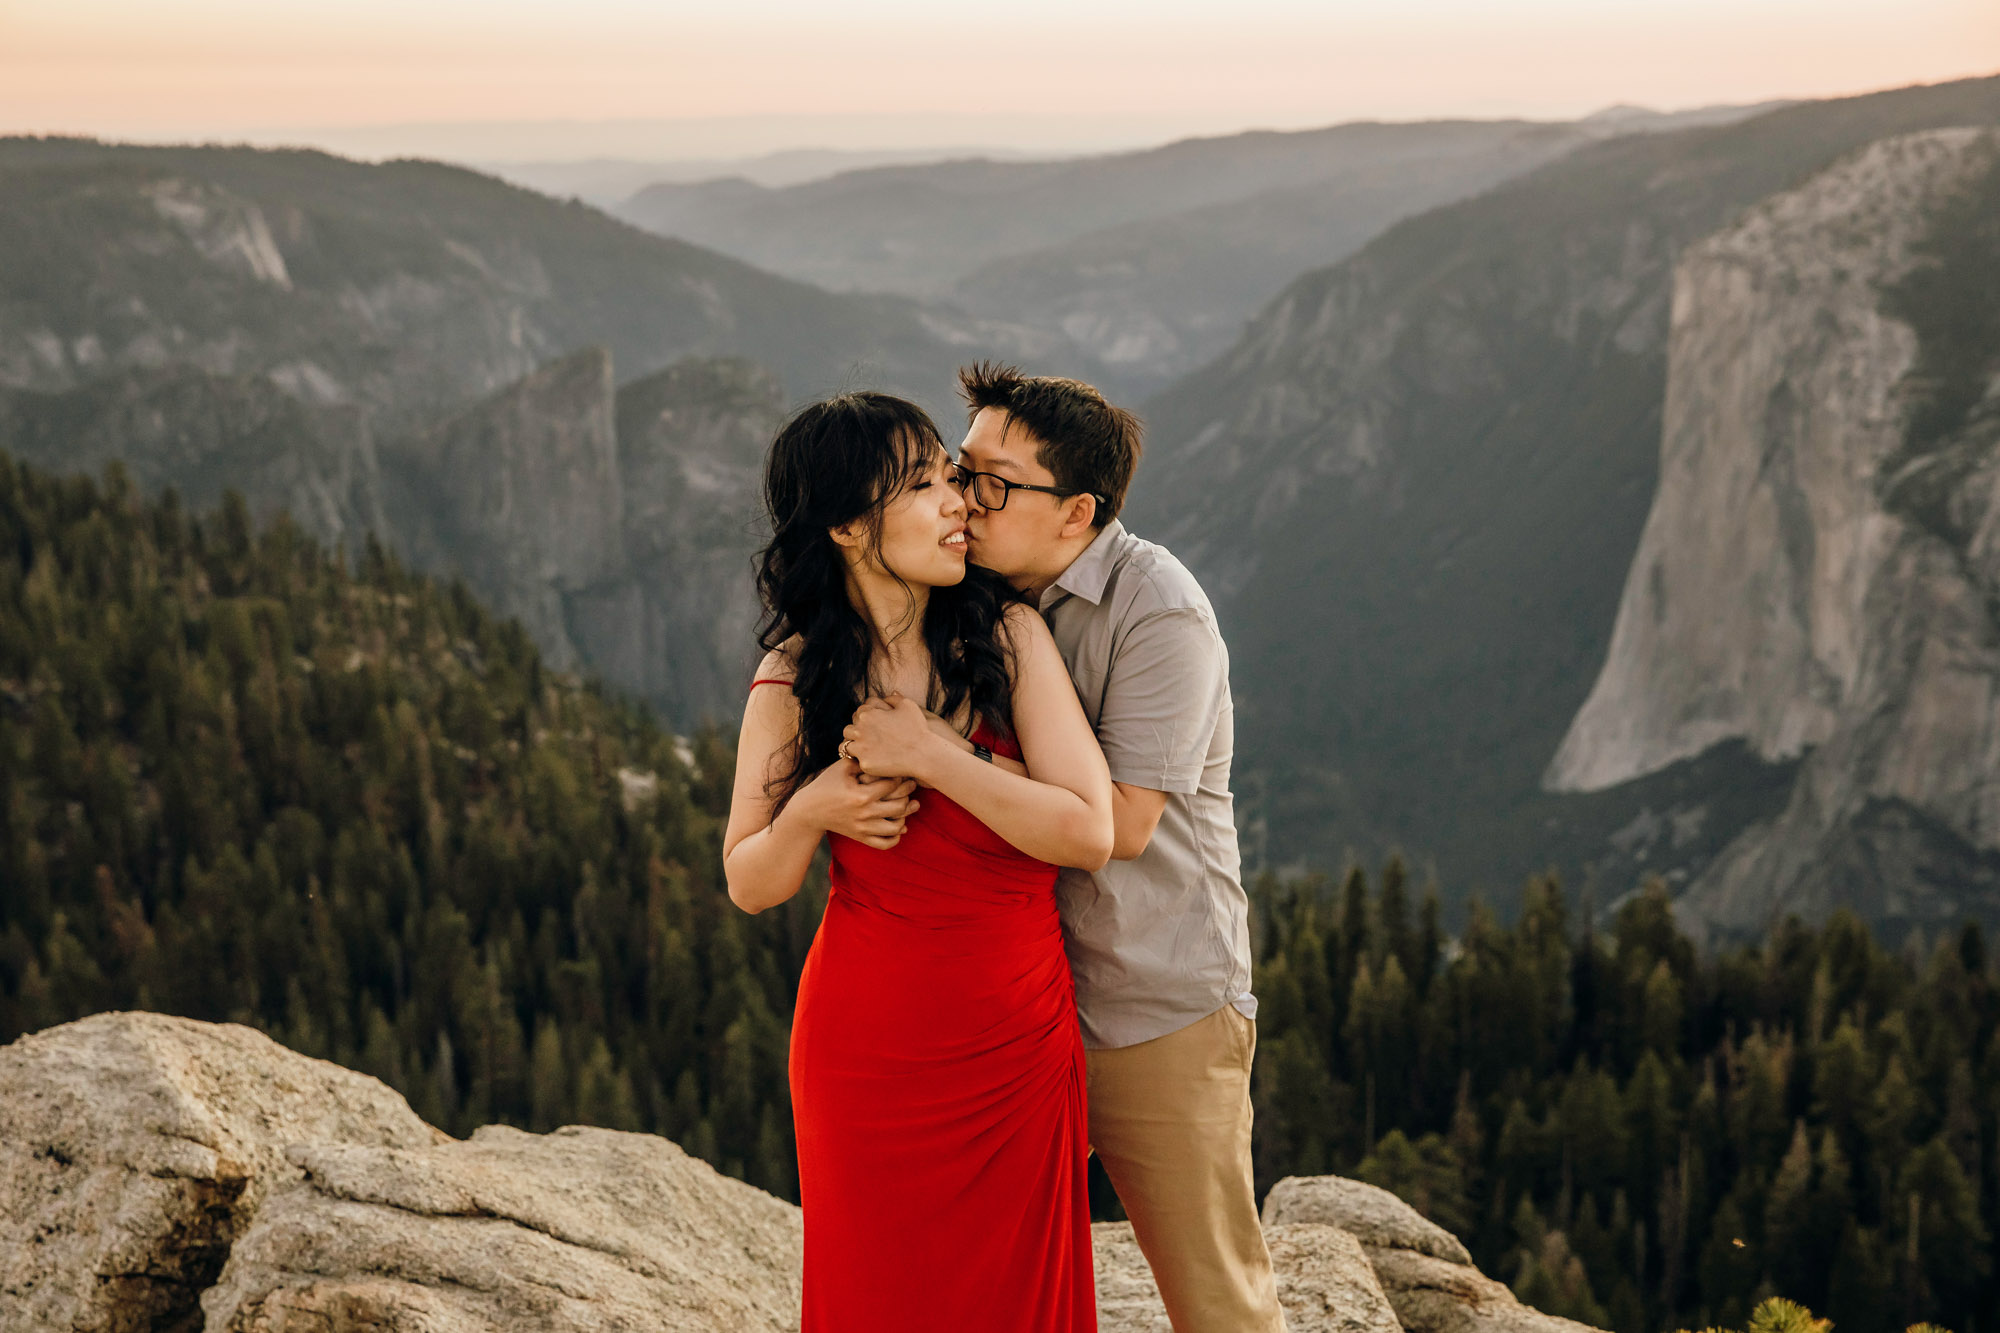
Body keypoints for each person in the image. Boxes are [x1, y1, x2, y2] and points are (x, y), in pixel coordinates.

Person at [846, 363, 1285, 1332]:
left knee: (1214, 1298)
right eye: (958, 471)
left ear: (1077, 511)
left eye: (993, 484)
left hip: (1150, 1010)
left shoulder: (1158, 610)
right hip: (1017, 1011)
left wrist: (933, 751)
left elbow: (1117, 828)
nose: (963, 499)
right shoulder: (975, 598)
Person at [721, 391, 1114, 1333]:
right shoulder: (791, 681)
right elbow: (750, 880)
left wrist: (938, 755)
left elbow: (1088, 829)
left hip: (1014, 1047)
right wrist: (814, 808)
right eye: (927, 484)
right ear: (852, 527)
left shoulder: (1008, 638)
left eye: (953, 476)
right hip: (866, 1059)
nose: (959, 504)